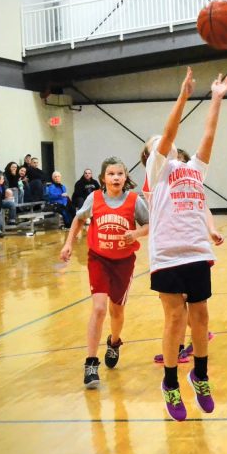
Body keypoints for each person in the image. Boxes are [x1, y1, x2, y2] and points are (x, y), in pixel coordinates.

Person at [141, 66, 227, 421]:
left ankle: (200, 375)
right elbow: (168, 132)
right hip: (166, 256)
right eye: (156, 145)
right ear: (151, 156)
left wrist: (216, 98)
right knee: (175, 319)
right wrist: (183, 96)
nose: (163, 143)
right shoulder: (157, 173)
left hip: (196, 251)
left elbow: (209, 134)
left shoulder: (194, 169)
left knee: (201, 316)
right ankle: (170, 383)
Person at [59, 157, 149, 389]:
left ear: (125, 177)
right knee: (99, 308)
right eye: (111, 174)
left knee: (116, 311)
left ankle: (114, 341)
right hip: (99, 259)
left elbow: (151, 224)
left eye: (119, 173)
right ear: (103, 178)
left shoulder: (134, 200)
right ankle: (91, 363)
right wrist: (68, 244)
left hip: (124, 262)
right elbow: (78, 219)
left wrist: (136, 234)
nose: (116, 177)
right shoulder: (95, 198)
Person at [151, 149, 220, 365]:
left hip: (189, 252)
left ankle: (184, 345)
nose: (178, 165)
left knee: (183, 309)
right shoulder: (158, 180)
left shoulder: (190, 184)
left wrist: (212, 229)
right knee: (175, 311)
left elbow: (204, 207)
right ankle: (180, 345)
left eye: (182, 161)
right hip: (167, 252)